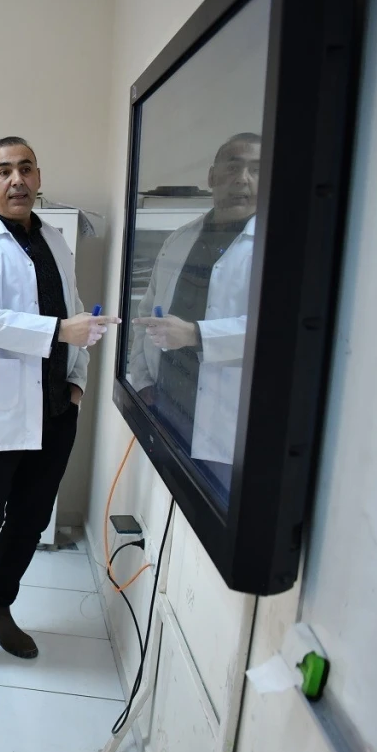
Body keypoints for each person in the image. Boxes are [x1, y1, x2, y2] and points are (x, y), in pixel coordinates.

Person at [0, 136, 119, 691]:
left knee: (30, 523)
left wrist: (77, 382)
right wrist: (60, 332)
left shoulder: (55, 240)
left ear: (38, 177)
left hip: (56, 410)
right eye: (3, 171)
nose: (16, 180)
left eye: (26, 169)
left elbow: (75, 311)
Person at [128, 133, 259, 498]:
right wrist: (143, 381)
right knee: (173, 500)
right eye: (233, 167)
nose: (242, 179)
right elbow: (144, 314)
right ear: (212, 176)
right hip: (169, 405)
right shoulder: (180, 239)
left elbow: (277, 331)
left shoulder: (276, 248)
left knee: (217, 505)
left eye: (256, 169)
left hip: (226, 420)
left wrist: (196, 335)